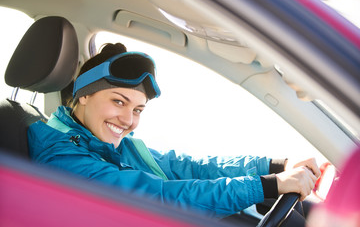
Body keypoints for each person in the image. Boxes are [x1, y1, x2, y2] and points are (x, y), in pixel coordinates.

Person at [28, 43, 320, 221]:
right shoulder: (61, 157)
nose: (129, 120)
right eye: (118, 101)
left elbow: (187, 167)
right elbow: (161, 199)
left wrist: (276, 166)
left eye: (138, 109)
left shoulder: (107, 143)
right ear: (83, 95)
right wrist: (267, 185)